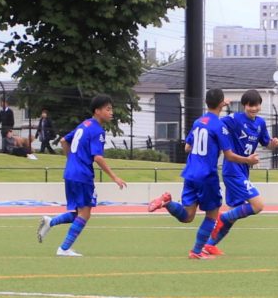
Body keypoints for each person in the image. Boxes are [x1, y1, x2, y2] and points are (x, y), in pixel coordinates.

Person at [147, 88, 260, 259]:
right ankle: (196, 251)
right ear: (221, 104)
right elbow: (229, 155)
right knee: (212, 216)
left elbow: (187, 147)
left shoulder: (198, 122)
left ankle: (167, 202)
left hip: (190, 173)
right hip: (207, 175)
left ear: (206, 103)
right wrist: (248, 160)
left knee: (187, 216)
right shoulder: (220, 126)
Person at [36, 94, 127, 256]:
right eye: (108, 109)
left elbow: (63, 141)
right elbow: (98, 157)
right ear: (97, 111)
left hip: (70, 173)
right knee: (85, 214)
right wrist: (115, 177)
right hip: (82, 175)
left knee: (79, 212)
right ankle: (64, 249)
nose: (111, 112)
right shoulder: (97, 130)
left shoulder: (84, 124)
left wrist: (72, 160)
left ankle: (51, 222)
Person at [202, 89, 278, 256]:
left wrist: (273, 144)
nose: (253, 108)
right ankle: (222, 218)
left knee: (235, 213)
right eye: (250, 105)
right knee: (258, 205)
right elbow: (214, 123)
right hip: (232, 169)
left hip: (243, 170)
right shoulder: (235, 119)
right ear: (244, 106)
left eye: (256, 105)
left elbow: (266, 143)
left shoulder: (260, 123)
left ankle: (209, 245)